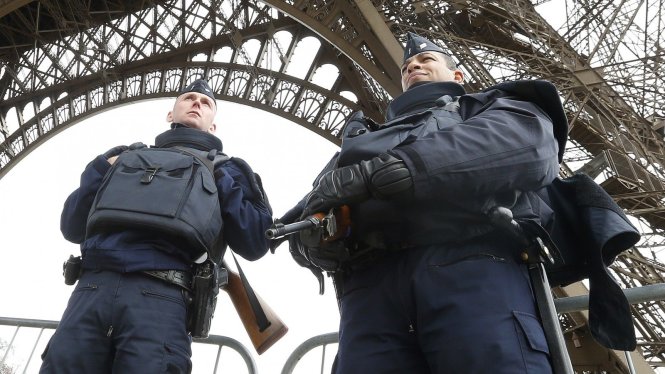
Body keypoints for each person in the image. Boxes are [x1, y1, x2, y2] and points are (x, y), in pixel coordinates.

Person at [280, 32, 569, 373]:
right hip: (371, 290)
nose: (413, 65)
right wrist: (313, 245)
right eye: (407, 66)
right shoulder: (359, 143)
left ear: (457, 75)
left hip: (470, 265)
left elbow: (528, 146)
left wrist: (397, 169)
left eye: (426, 60)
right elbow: (308, 216)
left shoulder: (482, 106)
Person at [40, 79, 274, 373]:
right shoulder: (122, 156)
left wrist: (227, 181)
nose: (197, 103)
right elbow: (72, 225)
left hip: (153, 296)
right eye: (189, 98)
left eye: (206, 103)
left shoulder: (224, 169)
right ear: (170, 113)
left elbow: (254, 241)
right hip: (100, 289)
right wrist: (102, 167)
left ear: (213, 126)